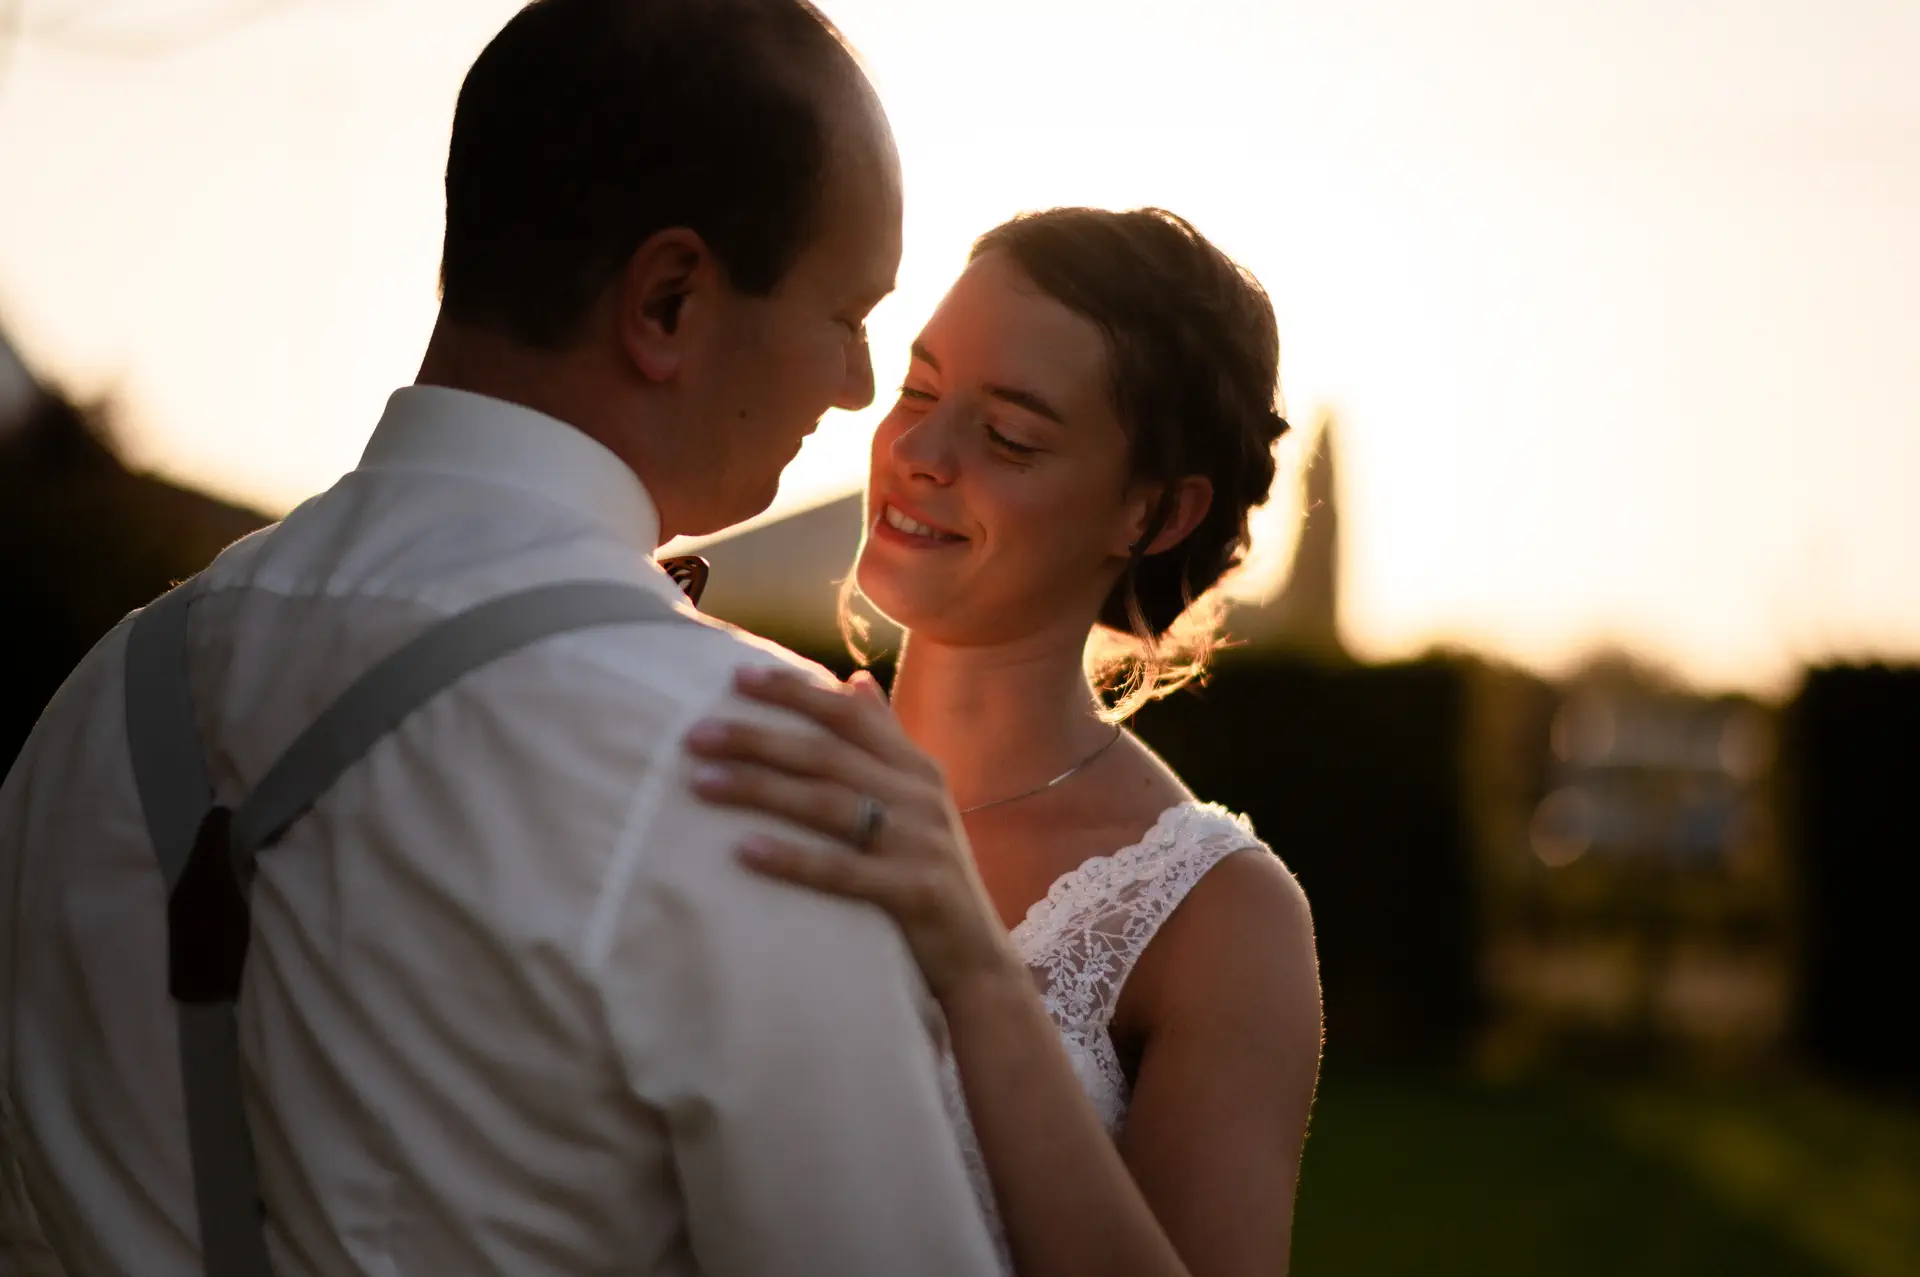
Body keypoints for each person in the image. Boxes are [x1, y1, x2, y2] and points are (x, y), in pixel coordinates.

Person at [0, 2, 1002, 1274]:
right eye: (847, 311)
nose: (857, 385)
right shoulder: (753, 761)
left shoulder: (89, 706)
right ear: (671, 301)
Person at [682, 207, 1325, 1275]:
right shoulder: (743, 737)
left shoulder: (1219, 917)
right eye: (919, 392)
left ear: (1155, 513)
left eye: (1010, 435)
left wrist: (974, 968)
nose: (920, 453)